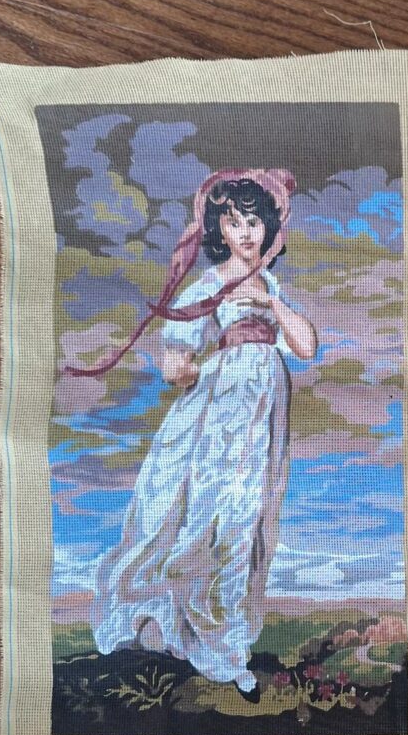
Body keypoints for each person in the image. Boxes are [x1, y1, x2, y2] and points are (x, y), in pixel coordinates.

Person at [87, 167, 318, 704]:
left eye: (254, 222)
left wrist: (271, 301)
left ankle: (225, 640)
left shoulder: (271, 286)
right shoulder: (211, 284)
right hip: (221, 410)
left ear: (269, 227)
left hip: (263, 410)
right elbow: (175, 358)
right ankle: (187, 632)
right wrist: (182, 367)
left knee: (248, 517)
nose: (245, 233)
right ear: (219, 229)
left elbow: (306, 347)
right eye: (234, 222)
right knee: (208, 515)